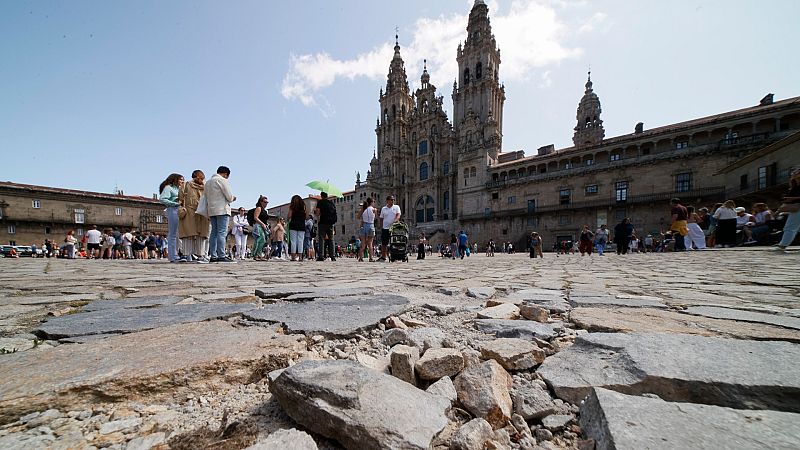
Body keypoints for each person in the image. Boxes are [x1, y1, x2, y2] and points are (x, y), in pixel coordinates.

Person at [205, 166, 236, 263]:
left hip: (212, 210)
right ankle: (221, 255)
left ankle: (213, 255)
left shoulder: (208, 182)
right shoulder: (222, 180)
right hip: (222, 209)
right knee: (222, 233)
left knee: (213, 233)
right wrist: (233, 198)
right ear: (226, 174)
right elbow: (229, 196)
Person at [179, 169, 211, 263]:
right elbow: (180, 198)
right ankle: (186, 255)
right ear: (197, 177)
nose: (203, 181)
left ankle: (200, 255)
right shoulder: (186, 185)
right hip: (189, 212)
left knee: (201, 235)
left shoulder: (205, 187)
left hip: (202, 214)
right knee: (188, 234)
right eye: (202, 178)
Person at [158, 173, 184, 262]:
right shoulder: (169, 188)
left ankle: (179, 253)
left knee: (179, 234)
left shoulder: (180, 189)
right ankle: (173, 255)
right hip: (173, 209)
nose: (182, 181)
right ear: (175, 179)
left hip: (179, 210)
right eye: (180, 179)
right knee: (173, 233)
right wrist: (175, 203)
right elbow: (162, 199)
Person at [775, 168, 800, 250]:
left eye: (798, 171)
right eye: (794, 172)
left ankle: (782, 246)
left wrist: (791, 199)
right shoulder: (794, 186)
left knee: (790, 227)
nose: (795, 173)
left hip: (798, 207)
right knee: (795, 228)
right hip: (794, 208)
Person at [315, 192, 337, 261]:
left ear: (321, 196)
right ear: (327, 196)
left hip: (323, 223)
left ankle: (321, 256)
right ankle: (333, 256)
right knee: (331, 240)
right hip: (330, 223)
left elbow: (318, 212)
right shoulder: (332, 203)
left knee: (321, 239)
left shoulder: (320, 202)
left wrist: (318, 218)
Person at [378, 195, 401, 262]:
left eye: (393, 199)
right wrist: (381, 227)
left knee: (394, 242)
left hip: (394, 228)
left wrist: (395, 221)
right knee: (384, 243)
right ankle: (383, 257)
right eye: (391, 199)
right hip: (385, 228)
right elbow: (381, 218)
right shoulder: (383, 208)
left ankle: (395, 256)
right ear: (387, 201)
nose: (393, 201)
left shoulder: (396, 207)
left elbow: (398, 215)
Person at [250, 196, 270, 261]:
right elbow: (255, 217)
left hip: (263, 226)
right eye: (265, 202)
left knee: (263, 240)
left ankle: (259, 254)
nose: (266, 203)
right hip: (258, 226)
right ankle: (256, 255)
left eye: (267, 202)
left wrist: (266, 225)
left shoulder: (265, 211)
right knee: (260, 240)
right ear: (260, 202)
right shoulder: (259, 208)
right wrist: (262, 224)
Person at [287, 195, 307, 261]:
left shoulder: (292, 207)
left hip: (293, 225)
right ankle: (300, 257)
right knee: (300, 241)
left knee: (293, 241)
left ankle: (293, 257)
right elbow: (306, 216)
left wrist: (288, 219)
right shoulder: (304, 206)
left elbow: (289, 216)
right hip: (301, 225)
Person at [359, 197, 377, 262]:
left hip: (363, 226)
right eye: (374, 202)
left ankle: (360, 258)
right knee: (370, 243)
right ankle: (371, 258)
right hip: (370, 225)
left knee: (363, 244)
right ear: (372, 202)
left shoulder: (364, 210)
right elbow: (375, 218)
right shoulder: (374, 209)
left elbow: (359, 218)